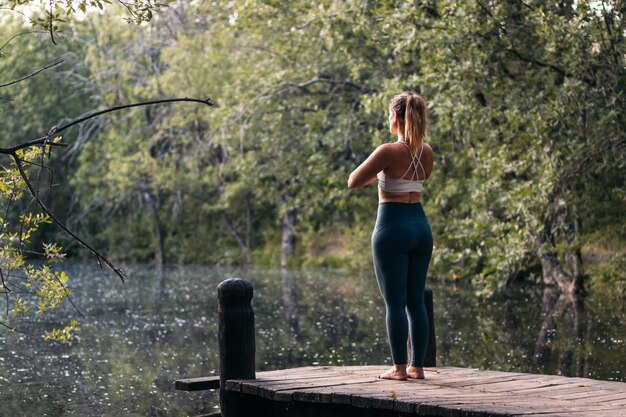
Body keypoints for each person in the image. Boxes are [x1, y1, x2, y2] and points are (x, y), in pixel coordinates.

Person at [347, 91, 434, 381]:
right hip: (420, 227)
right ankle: (417, 366)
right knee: (415, 301)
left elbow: (354, 182)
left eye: (389, 114)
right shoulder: (428, 152)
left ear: (396, 117)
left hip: (392, 227)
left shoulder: (387, 151)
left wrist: (379, 173)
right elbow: (414, 181)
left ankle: (398, 369)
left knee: (394, 302)